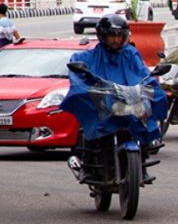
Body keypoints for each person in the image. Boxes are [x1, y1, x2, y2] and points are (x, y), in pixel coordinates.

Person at [60, 14, 168, 148]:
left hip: (128, 102)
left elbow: (143, 74)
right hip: (104, 105)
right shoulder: (88, 57)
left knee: (158, 95)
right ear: (103, 36)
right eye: (112, 36)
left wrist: (149, 85)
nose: (116, 40)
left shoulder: (131, 53)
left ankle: (146, 145)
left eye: (119, 36)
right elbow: (79, 78)